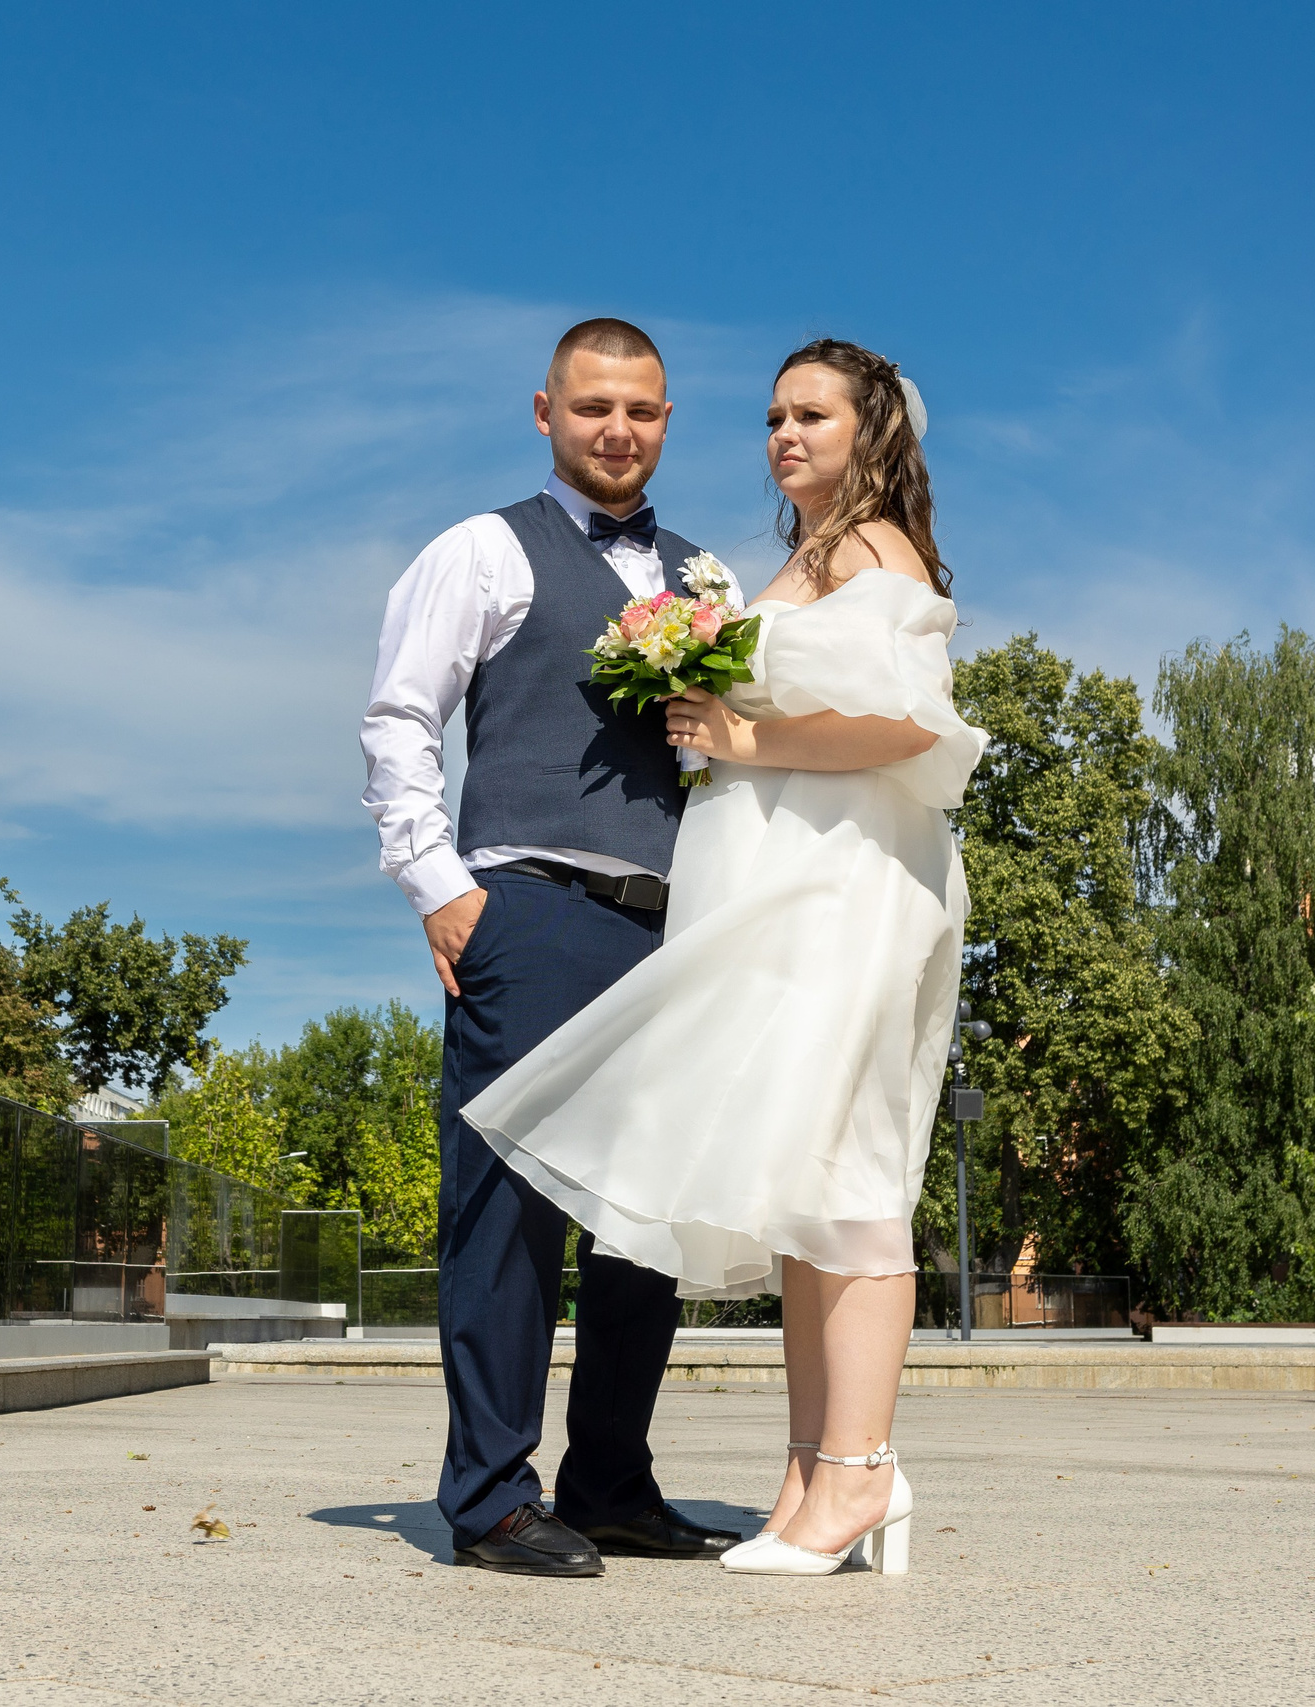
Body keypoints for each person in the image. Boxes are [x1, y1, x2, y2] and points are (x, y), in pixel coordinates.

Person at [460, 338, 986, 1577]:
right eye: (772, 417)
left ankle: (858, 1473)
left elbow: (909, 728)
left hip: (844, 885)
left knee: (851, 1176)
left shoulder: (874, 549)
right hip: (780, 883)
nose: (785, 436)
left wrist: (743, 743)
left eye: (813, 416)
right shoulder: (802, 557)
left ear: (871, 432)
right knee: (805, 1183)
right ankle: (813, 1478)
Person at [359, 318, 744, 1577]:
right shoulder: (482, 550)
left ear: (666, 420)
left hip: (676, 926)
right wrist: (440, 888)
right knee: (507, 1212)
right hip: (530, 906)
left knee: (644, 1222)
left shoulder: (707, 578)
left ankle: (612, 1485)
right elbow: (400, 718)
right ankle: (488, 1500)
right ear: (545, 412)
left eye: (639, 410)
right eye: (592, 408)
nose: (615, 431)